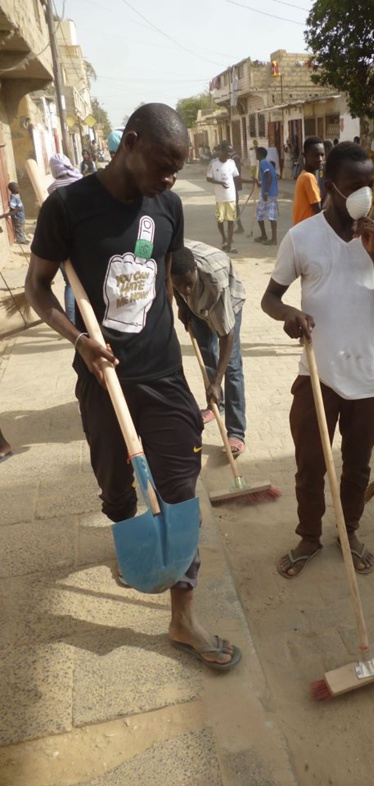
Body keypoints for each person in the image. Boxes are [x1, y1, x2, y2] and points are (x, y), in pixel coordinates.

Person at [25, 102, 240, 670]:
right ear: (132, 142)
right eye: (165, 165)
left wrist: (194, 302)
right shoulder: (67, 207)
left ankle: (183, 618)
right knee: (117, 490)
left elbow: (168, 274)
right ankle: (129, 541)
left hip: (164, 376)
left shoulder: (166, 204)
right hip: (102, 378)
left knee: (180, 490)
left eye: (177, 169)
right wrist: (77, 339)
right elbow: (39, 289)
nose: (171, 180)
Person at [261, 141, 374, 578]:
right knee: (309, 465)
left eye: (370, 184)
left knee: (357, 466)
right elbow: (271, 298)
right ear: (331, 188)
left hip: (368, 373)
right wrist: (289, 314)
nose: (365, 193)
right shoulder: (302, 237)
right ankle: (309, 536)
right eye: (354, 185)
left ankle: (349, 531)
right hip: (318, 374)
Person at [172, 240, 247, 457]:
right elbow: (176, 284)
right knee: (206, 353)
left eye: (188, 283)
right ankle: (218, 405)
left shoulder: (215, 279)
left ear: (195, 269)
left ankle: (236, 432)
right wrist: (182, 304)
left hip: (229, 301)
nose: (186, 289)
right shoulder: (170, 261)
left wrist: (216, 382)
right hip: (196, 306)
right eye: (180, 285)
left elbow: (227, 335)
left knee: (231, 366)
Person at [47, 153, 83, 322]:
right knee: (86, 281)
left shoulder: (52, 189)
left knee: (70, 284)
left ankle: (72, 322)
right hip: (83, 240)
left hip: (61, 241)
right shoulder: (80, 181)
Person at [206, 141, 240, 254]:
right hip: (220, 198)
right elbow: (208, 178)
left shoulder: (232, 163)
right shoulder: (213, 163)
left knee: (231, 220)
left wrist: (252, 181)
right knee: (220, 220)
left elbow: (236, 178)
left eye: (231, 151)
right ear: (222, 151)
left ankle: (229, 245)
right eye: (228, 151)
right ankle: (224, 238)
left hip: (231, 197)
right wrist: (220, 183)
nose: (230, 154)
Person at [292, 136, 324, 226]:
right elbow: (319, 213)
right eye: (316, 155)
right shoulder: (308, 178)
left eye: (322, 155)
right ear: (305, 155)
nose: (320, 159)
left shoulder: (303, 175)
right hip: (306, 232)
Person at [253, 146, 279, 245]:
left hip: (269, 194)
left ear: (260, 154)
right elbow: (269, 178)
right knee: (262, 215)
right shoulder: (267, 163)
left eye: (256, 153)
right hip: (270, 192)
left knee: (268, 216)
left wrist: (266, 192)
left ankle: (273, 239)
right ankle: (265, 235)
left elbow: (269, 176)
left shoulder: (263, 163)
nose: (255, 155)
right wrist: (259, 184)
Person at [230, 148, 245, 234]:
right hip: (232, 188)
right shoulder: (233, 162)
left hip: (233, 189)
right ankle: (239, 226)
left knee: (235, 208)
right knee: (235, 208)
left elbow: (237, 178)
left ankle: (239, 226)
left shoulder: (234, 162)